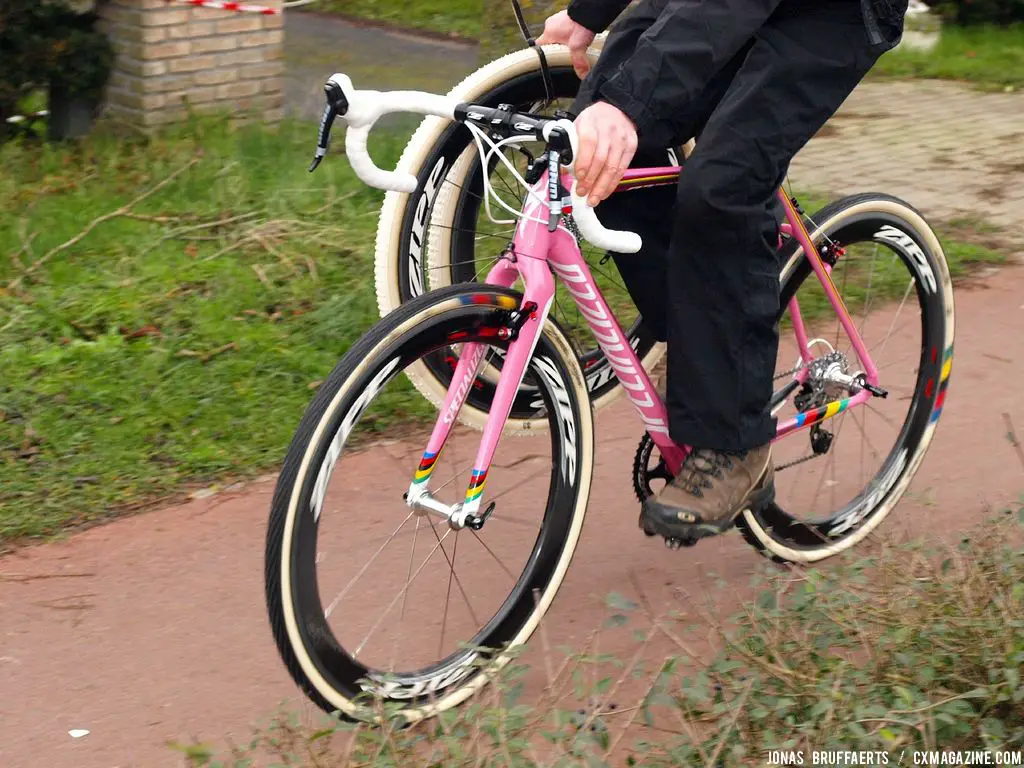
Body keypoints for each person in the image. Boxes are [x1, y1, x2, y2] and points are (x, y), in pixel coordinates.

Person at [536, 0, 908, 542]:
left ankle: (734, 439)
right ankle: (713, 345)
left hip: (837, 13)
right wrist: (589, 11)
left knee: (719, 189)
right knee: (600, 162)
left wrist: (626, 104)